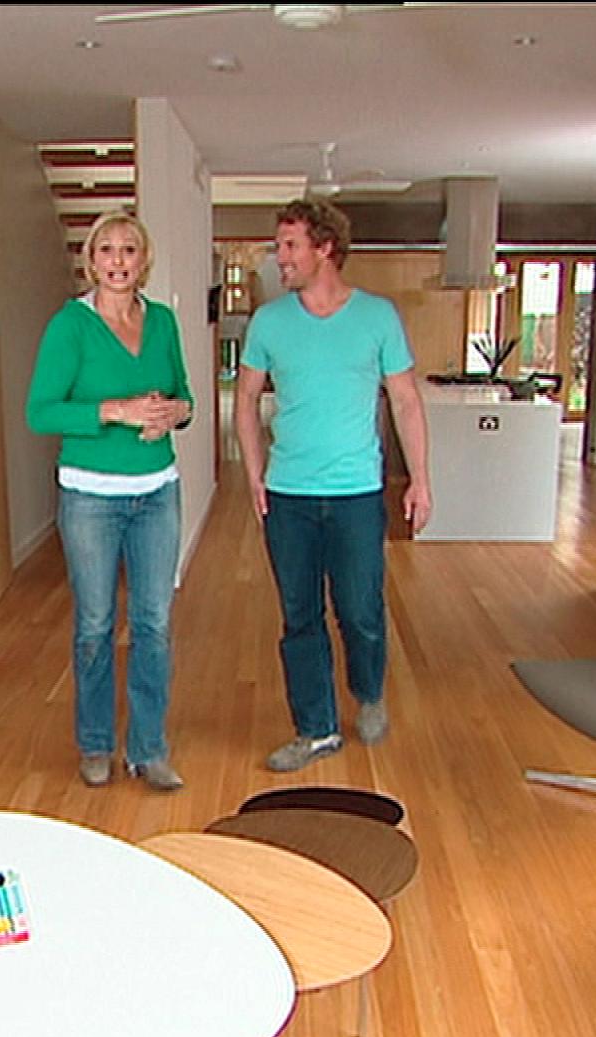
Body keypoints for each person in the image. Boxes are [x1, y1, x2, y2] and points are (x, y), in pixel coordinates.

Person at [235, 198, 432, 772]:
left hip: (356, 494)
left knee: (360, 609)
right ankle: (316, 729)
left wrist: (420, 480)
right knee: (300, 616)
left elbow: (406, 401)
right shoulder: (269, 322)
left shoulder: (377, 317)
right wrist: (254, 474)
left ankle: (369, 693)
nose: (279, 257)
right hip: (288, 495)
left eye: (290, 246)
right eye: (279, 246)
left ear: (325, 248)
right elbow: (245, 400)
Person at [27, 210, 193, 791]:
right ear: (91, 261)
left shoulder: (163, 321)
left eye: (129, 249)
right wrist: (116, 411)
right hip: (91, 498)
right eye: (107, 250)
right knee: (95, 624)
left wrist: (174, 414)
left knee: (154, 623)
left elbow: (185, 397)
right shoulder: (70, 326)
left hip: (158, 492)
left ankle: (149, 749)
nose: (118, 260)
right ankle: (96, 744)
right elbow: (40, 412)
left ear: (143, 260)